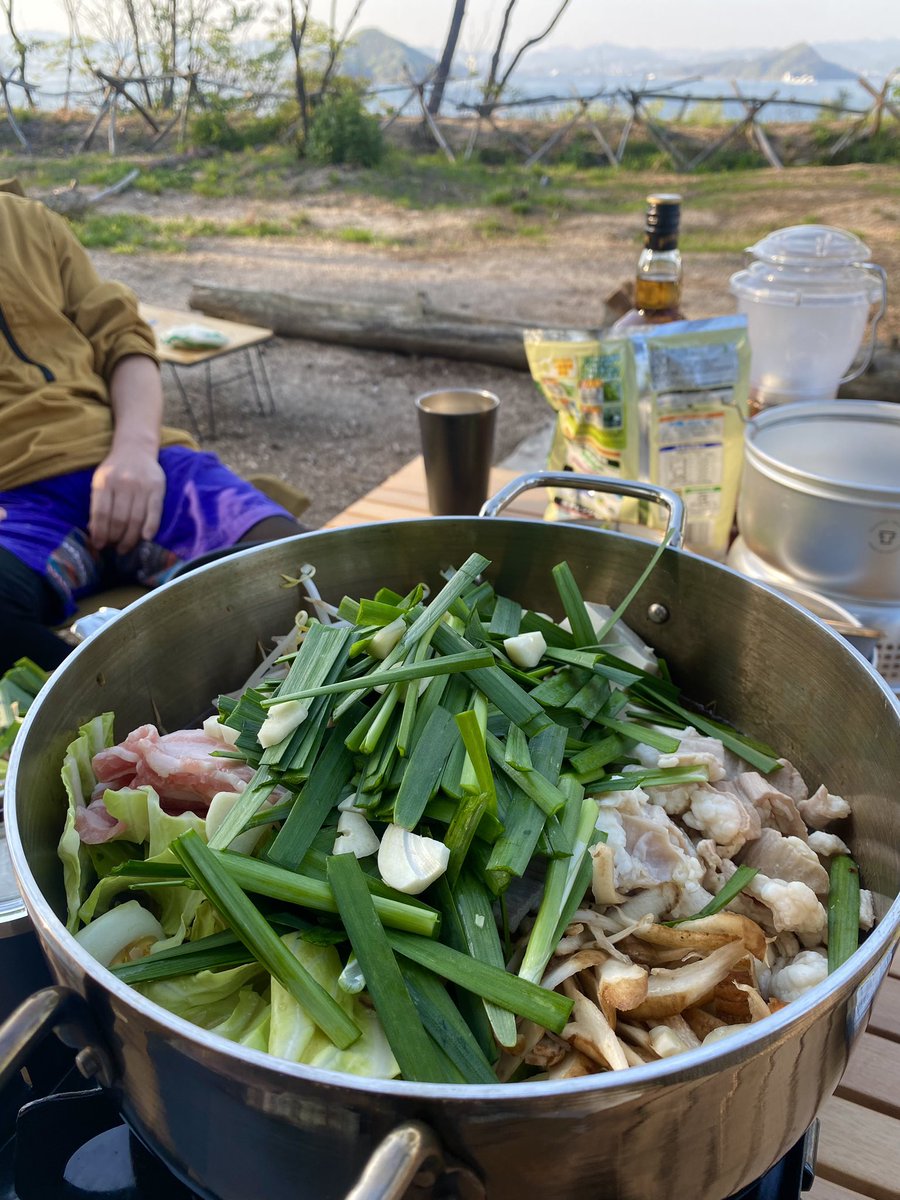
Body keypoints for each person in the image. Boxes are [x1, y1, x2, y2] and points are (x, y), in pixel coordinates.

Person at [0, 178, 304, 674]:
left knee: (294, 566)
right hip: (18, 511)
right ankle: (130, 713)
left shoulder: (27, 222)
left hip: (137, 459)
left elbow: (124, 339)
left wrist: (136, 451)